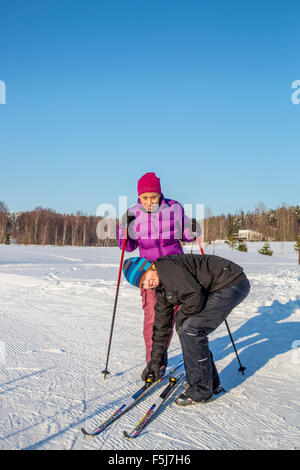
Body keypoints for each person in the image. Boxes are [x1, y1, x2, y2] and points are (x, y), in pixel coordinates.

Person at [122, 253, 250, 406]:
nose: (147, 284)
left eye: (145, 277)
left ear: (150, 266)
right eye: (142, 284)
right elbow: (161, 326)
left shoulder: (167, 269)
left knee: (191, 330)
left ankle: (201, 391)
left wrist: (180, 319)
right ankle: (211, 384)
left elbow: (194, 297)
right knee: (188, 330)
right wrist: (155, 363)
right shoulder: (162, 289)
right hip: (223, 284)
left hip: (230, 283)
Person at [117, 172, 198, 376]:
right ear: (139, 197)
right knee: (153, 318)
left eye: (153, 197)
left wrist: (192, 229)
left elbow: (187, 236)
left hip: (176, 270)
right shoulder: (132, 214)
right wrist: (124, 234)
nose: (149, 202)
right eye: (145, 198)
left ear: (160, 194)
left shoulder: (174, 208)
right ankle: (155, 363)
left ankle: (194, 357)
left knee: (184, 317)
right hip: (151, 273)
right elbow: (128, 246)